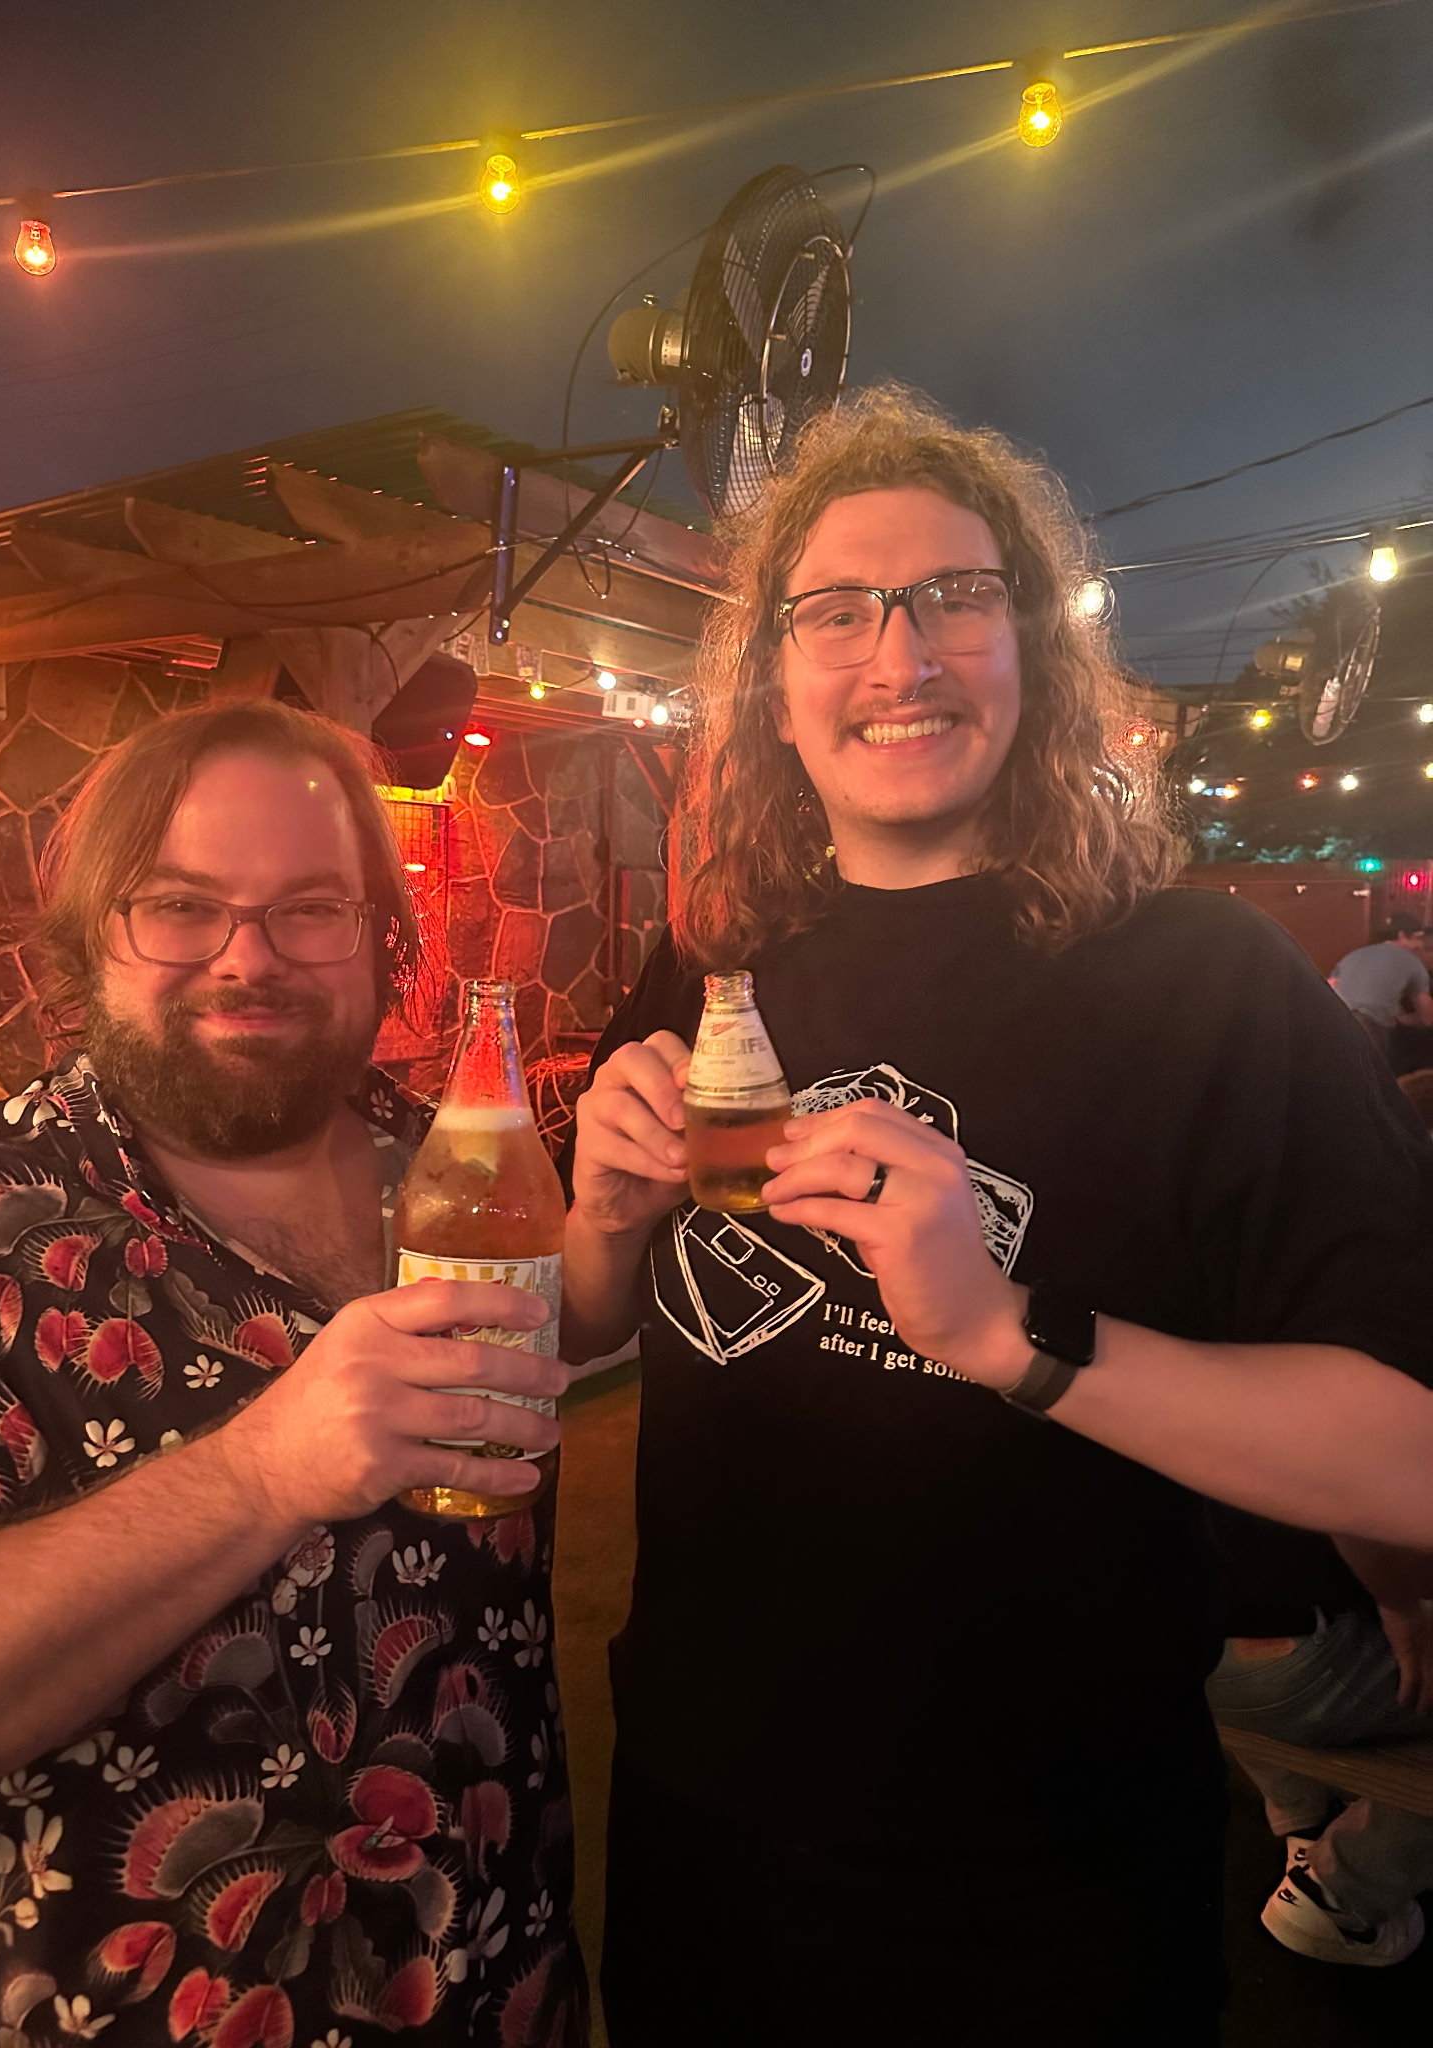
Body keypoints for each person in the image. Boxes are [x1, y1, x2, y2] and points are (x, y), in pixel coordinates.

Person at [558, 388, 1433, 2047]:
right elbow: (596, 1321)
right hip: (697, 1836)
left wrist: (1006, 1335)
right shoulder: (715, 958)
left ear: (1034, 654)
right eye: (837, 611)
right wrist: (599, 1221)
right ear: (775, 687)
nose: (899, 657)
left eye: (958, 597)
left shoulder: (1204, 984)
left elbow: (1409, 1461)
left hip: (1041, 1886)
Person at [0, 701, 586, 2048]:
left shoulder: (452, 1172)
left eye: (311, 908)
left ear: (381, 940)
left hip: (490, 1991)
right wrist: (264, 1471)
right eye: (181, 907)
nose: (248, 959)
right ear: (92, 934)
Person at [1205, 1506, 1433, 1966]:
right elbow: (1355, 1492)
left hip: (1178, 1638)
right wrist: (1406, 1603)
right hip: (1288, 1653)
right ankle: (1340, 1896)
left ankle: (1304, 1819)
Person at [1329, 912, 1433, 1059]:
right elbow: (1427, 1016)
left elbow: (1330, 985)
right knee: (1373, 1074)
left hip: (1334, 1021)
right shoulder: (1413, 963)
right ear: (1402, 935)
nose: (1421, 945)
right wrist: (1418, 1020)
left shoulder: (1355, 954)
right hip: (1369, 1026)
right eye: (1418, 939)